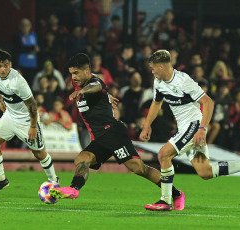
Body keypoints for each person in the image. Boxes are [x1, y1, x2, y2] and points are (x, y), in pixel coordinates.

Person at [49, 53, 186, 211]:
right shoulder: (78, 82)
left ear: (87, 70)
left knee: (138, 168)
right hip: (101, 138)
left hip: (113, 133)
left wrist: (85, 91)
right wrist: (107, 96)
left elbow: (97, 86)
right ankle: (74, 189)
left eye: (76, 73)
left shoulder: (93, 82)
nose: (73, 77)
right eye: (71, 73)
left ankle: (175, 194)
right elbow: (100, 91)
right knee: (82, 158)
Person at [139, 50, 240, 211]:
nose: (152, 72)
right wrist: (147, 125)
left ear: (161, 66)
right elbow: (156, 103)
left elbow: (208, 102)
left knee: (163, 154)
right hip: (185, 128)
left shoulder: (183, 81)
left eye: (153, 68)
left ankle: (166, 200)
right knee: (205, 171)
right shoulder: (158, 82)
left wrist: (202, 128)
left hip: (194, 126)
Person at [0, 49, 59, 196]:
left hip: (26, 120)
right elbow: (1, 87)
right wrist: (0, 99)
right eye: (0, 66)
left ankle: (54, 181)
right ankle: (1, 180)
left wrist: (33, 126)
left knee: (38, 153)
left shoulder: (18, 82)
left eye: (6, 65)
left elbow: (32, 104)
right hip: (10, 116)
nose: (3, 69)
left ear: (10, 65)